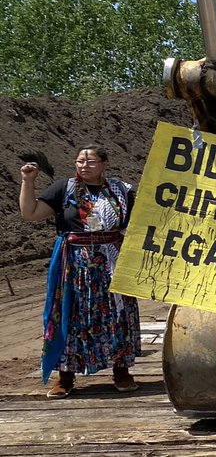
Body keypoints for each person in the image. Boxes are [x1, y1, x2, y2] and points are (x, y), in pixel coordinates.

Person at [19, 145, 141, 399]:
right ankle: (65, 376)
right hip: (75, 265)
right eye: (80, 162)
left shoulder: (121, 191)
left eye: (91, 162)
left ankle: (121, 370)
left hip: (112, 262)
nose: (85, 166)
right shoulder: (64, 189)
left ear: (104, 164)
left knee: (118, 314)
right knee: (72, 315)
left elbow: (139, 223)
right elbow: (30, 213)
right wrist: (28, 182)